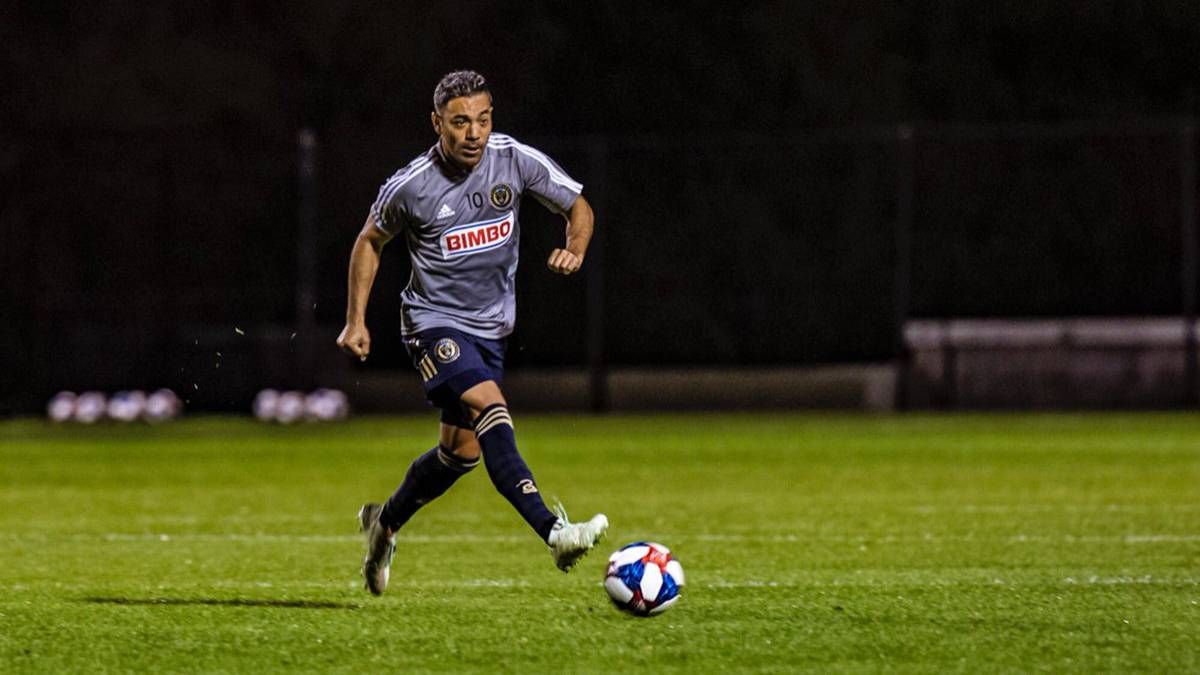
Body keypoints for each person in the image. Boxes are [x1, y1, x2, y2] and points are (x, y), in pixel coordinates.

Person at [337, 70, 608, 596]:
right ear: (437, 123)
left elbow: (578, 205)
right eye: (461, 123)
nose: (474, 134)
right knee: (490, 404)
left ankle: (383, 524)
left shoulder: (513, 158)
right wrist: (356, 319)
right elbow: (370, 241)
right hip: (431, 322)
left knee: (460, 454)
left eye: (483, 120)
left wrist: (575, 247)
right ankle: (554, 531)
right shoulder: (411, 186)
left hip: (491, 330)